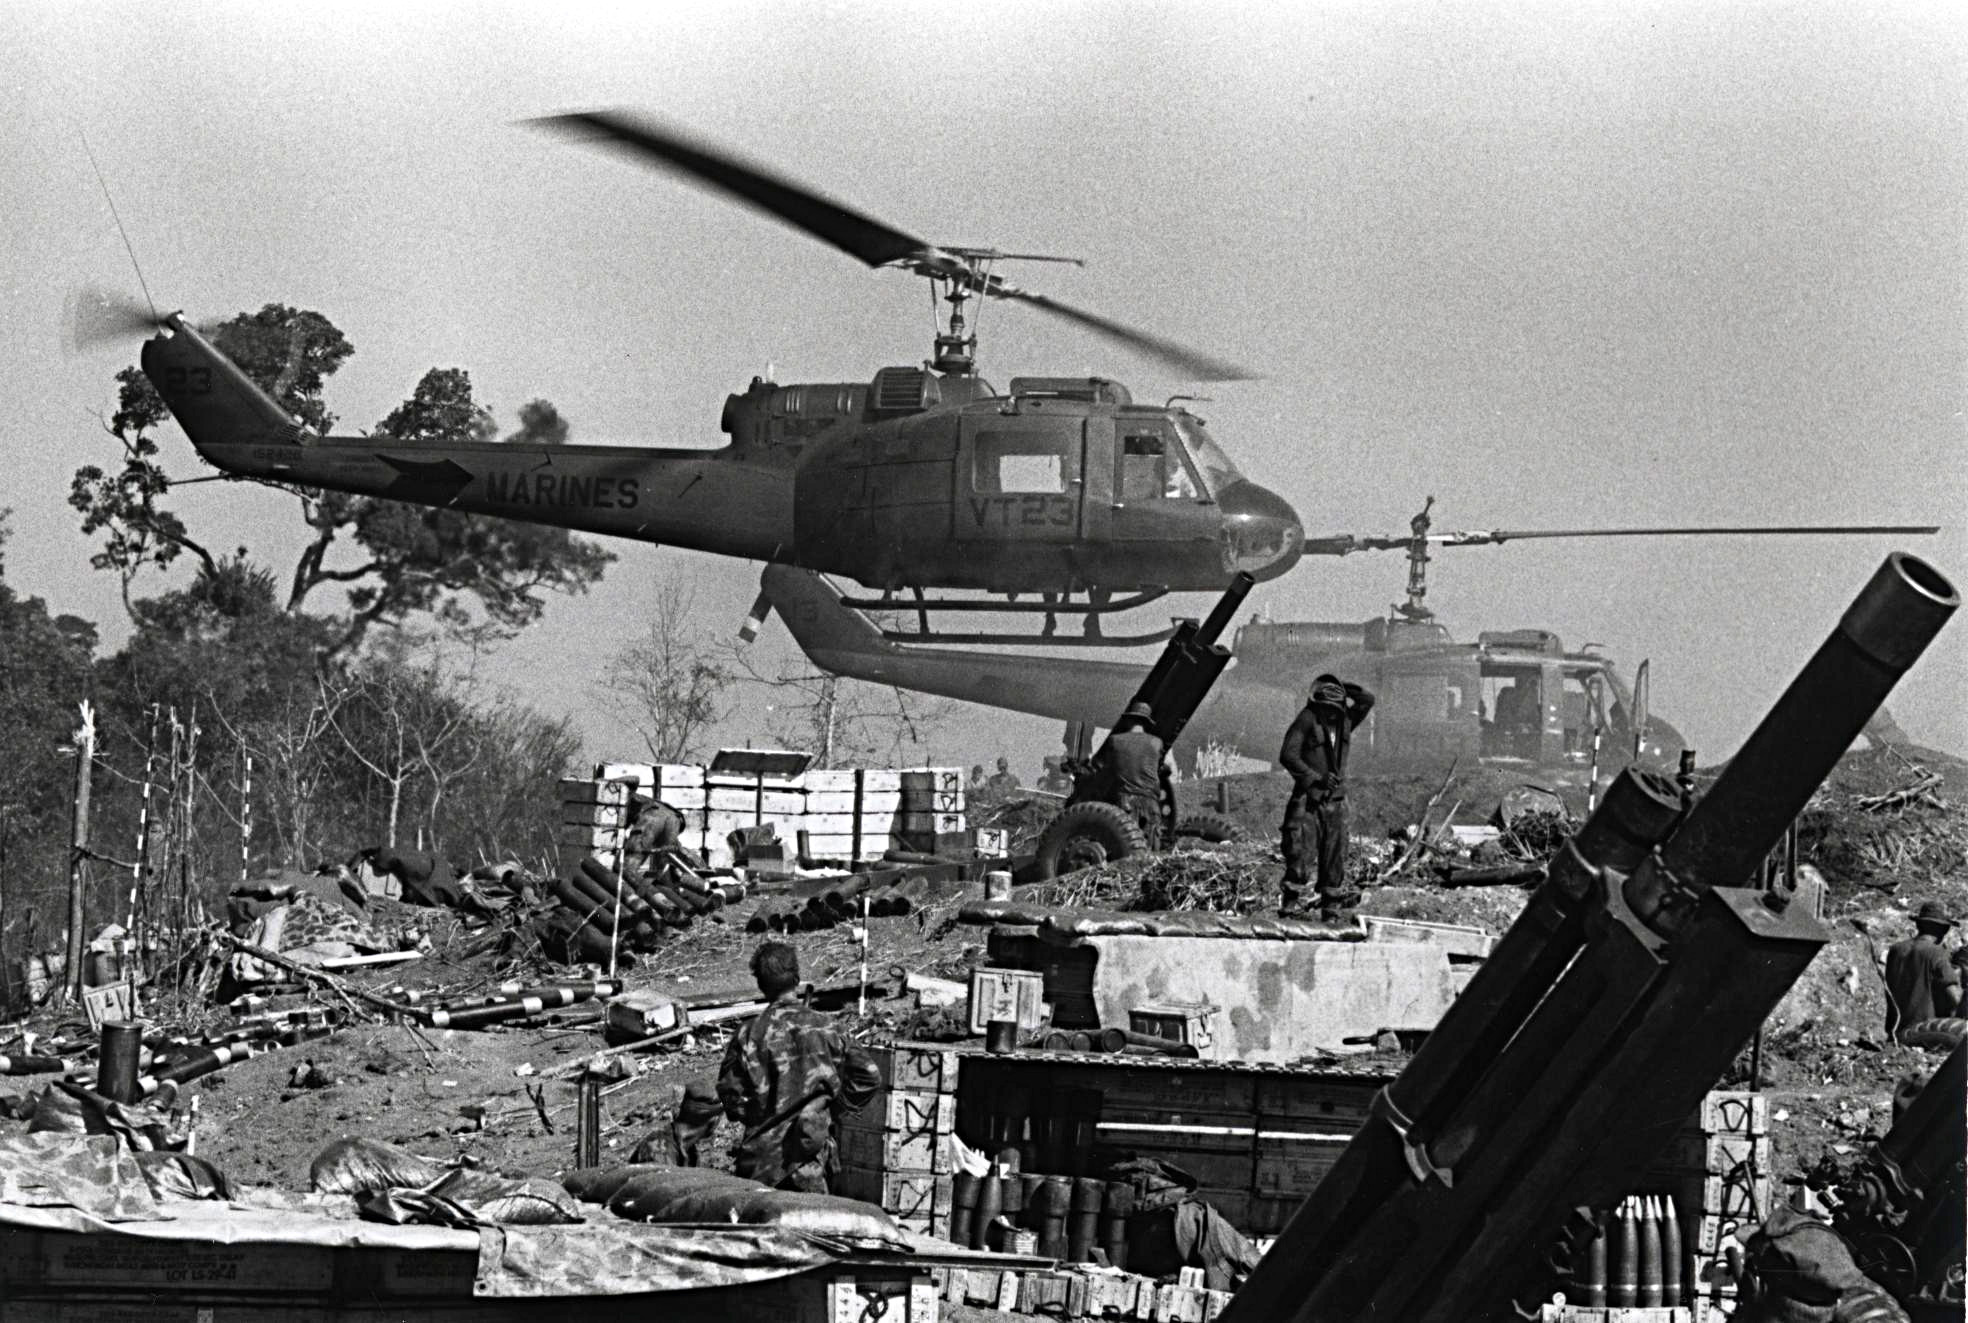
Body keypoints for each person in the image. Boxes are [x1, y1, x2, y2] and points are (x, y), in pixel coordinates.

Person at [716, 941, 878, 1192]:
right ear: (797, 978)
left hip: (760, 1166)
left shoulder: (748, 1033)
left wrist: (759, 1113)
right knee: (814, 1229)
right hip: (810, 1158)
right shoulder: (829, 1028)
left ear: (761, 985)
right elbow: (869, 1076)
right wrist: (831, 1108)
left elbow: (730, 1094)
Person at [1277, 673, 1376, 920]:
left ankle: (1330, 913)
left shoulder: (1345, 721)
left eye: (1335, 707)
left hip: (1337, 803)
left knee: (1335, 858)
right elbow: (1288, 755)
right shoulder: (1307, 719)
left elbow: (1367, 700)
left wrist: (1344, 687)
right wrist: (1314, 778)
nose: (1331, 713)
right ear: (1317, 705)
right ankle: (1289, 909)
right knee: (1300, 855)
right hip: (1308, 801)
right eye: (1326, 708)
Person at [1883, 901, 1961, 1040]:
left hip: (1895, 1033)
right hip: (1922, 1032)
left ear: (1918, 925)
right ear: (1944, 930)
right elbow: (1955, 996)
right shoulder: (1936, 952)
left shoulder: (1896, 950)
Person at [1095, 701, 1166, 845]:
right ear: (1146, 723)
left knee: (1126, 849)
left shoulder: (1115, 740)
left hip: (1125, 801)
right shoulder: (1157, 742)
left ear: (1129, 720)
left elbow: (1108, 771)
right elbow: (1159, 767)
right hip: (1151, 802)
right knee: (1151, 851)